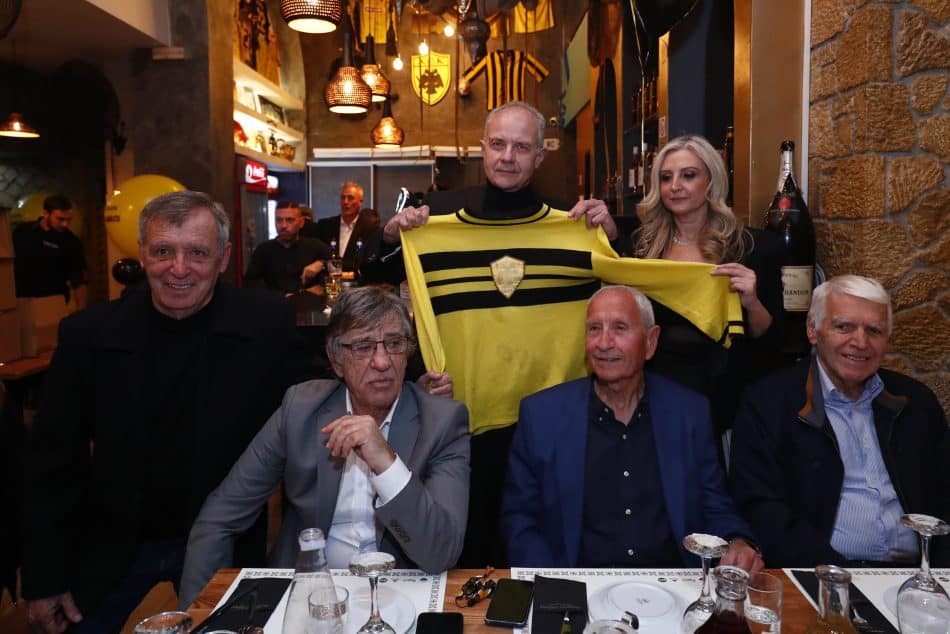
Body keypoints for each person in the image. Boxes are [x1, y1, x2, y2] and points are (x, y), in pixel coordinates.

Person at [20, 191, 312, 634]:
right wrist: (44, 579)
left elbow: (324, 396)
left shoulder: (266, 324)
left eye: (197, 252)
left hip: (226, 540)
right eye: (162, 252)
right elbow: (52, 462)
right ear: (141, 255)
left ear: (223, 259)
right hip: (112, 541)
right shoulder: (89, 334)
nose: (179, 268)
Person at [377, 101, 623, 566]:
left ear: (540, 156)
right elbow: (375, 274)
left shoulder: (574, 225)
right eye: (498, 144)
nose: (508, 156)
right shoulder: (437, 218)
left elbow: (631, 293)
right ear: (482, 148)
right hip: (465, 417)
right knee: (469, 544)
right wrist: (393, 235)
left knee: (545, 542)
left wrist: (611, 238)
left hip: (550, 420)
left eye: (522, 147)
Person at [178, 286, 471, 607]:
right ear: (336, 359)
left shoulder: (442, 422)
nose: (382, 361)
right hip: (307, 595)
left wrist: (386, 462)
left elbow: (440, 552)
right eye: (363, 347)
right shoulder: (300, 410)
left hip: (398, 595)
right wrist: (200, 615)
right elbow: (218, 519)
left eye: (394, 344)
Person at [500, 285, 762, 570]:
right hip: (576, 584)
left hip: (672, 584)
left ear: (650, 342)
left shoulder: (689, 413)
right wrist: (551, 584)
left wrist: (736, 541)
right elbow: (519, 520)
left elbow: (715, 505)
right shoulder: (542, 416)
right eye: (594, 329)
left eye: (620, 328)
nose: (604, 342)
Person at [729, 275, 950, 568]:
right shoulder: (768, 404)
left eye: (874, 330)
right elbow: (761, 509)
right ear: (812, 329)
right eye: (844, 327)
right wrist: (834, 576)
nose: (860, 342)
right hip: (821, 574)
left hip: (916, 576)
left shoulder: (916, 404)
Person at [628, 134, 784, 438]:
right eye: (666, 178)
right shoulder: (642, 248)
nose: (675, 186)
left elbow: (772, 342)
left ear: (711, 181)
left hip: (726, 405)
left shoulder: (753, 248)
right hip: (655, 399)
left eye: (689, 175)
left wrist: (751, 301)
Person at [12, 194, 88, 310]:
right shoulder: (23, 232)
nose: (65, 224)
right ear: (45, 213)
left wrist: (81, 313)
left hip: (53, 302)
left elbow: (79, 282)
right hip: (21, 301)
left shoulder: (72, 242)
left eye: (68, 220)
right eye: (60, 219)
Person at [244, 200, 331, 295]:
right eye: (279, 220)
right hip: (275, 302)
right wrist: (282, 295)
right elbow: (251, 284)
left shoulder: (315, 246)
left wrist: (321, 263)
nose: (283, 226)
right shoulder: (263, 250)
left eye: (290, 220)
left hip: (309, 303)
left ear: (301, 223)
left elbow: (338, 265)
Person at [302, 182, 378, 272]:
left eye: (350, 198)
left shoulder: (370, 229)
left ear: (360, 202)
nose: (345, 202)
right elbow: (317, 254)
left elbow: (368, 260)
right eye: (343, 198)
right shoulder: (325, 225)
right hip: (328, 278)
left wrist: (326, 264)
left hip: (356, 279)